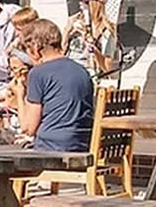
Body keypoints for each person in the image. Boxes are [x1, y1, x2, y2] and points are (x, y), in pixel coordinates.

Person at [8, 18, 94, 153]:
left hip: (51, 146)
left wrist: (20, 93)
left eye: (26, 49)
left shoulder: (38, 73)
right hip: (82, 144)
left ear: (35, 48)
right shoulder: (82, 71)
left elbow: (28, 128)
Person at [64, 0, 119, 78]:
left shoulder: (106, 31)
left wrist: (90, 43)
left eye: (84, 1)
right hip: (68, 73)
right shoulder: (75, 23)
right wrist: (67, 31)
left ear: (95, 4)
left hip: (88, 76)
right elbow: (60, 53)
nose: (80, 4)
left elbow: (107, 67)